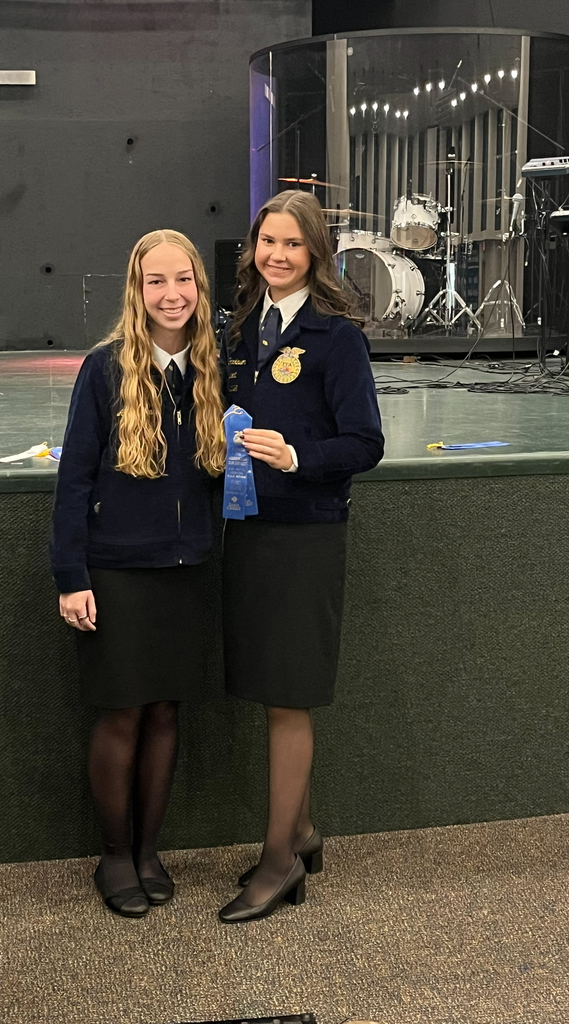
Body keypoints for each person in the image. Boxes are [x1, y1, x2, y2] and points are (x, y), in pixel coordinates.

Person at [217, 190, 384, 923]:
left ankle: (281, 861)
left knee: (289, 697)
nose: (277, 255)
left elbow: (365, 444)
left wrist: (296, 455)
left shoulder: (337, 336)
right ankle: (305, 829)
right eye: (266, 242)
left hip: (306, 535)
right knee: (268, 686)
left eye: (292, 243)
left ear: (315, 252)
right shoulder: (240, 329)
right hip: (248, 532)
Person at [50, 230, 225, 918]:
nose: (172, 294)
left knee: (164, 712)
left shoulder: (215, 368)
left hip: (187, 570)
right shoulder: (103, 370)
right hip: (116, 571)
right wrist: (71, 574)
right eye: (157, 282)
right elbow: (72, 481)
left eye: (183, 280)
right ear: (137, 289)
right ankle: (115, 855)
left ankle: (150, 850)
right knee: (122, 714)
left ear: (198, 288)